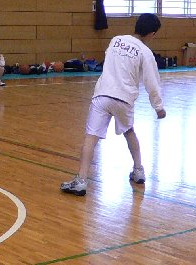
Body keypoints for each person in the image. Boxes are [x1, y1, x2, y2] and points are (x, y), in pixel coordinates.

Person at [60, 13, 166, 196]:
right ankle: (138, 170)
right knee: (129, 131)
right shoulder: (146, 52)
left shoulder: (116, 40)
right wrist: (158, 107)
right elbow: (152, 81)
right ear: (152, 34)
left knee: (91, 137)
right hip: (124, 99)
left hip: (102, 95)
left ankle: (81, 180)